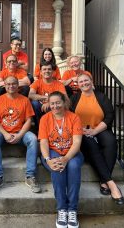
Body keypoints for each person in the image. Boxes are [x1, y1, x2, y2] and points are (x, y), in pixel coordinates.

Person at [70, 73, 124, 205]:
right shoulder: (74, 98)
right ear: (78, 84)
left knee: (111, 142)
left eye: (86, 81)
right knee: (91, 146)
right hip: (80, 131)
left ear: (91, 81)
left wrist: (94, 131)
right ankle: (110, 183)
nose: (83, 83)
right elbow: (70, 117)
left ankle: (103, 181)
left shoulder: (101, 96)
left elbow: (109, 115)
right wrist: (81, 130)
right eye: (80, 82)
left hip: (99, 128)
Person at [0, 76, 41, 194]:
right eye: (8, 84)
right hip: (2, 132)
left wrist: (20, 135)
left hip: (19, 132)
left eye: (13, 84)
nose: (11, 86)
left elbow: (28, 121)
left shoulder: (24, 100)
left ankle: (30, 176)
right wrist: (6, 134)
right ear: (4, 86)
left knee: (32, 139)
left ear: (18, 85)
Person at [39, 91, 83, 228]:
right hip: (52, 152)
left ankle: (72, 210)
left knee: (74, 166)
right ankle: (62, 209)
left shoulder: (74, 117)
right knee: (57, 168)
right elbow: (44, 142)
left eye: (58, 102)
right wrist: (48, 159)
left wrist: (66, 158)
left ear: (64, 102)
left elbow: (76, 142)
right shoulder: (45, 119)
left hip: (72, 152)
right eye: (52, 103)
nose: (55, 106)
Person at [29, 61, 66, 129]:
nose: (47, 71)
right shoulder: (37, 82)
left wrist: (50, 102)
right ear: (40, 72)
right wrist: (46, 98)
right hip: (40, 108)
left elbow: (64, 97)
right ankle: (39, 128)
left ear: (53, 72)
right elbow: (31, 95)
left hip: (54, 107)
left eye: (49, 69)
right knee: (34, 103)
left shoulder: (58, 84)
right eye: (44, 69)